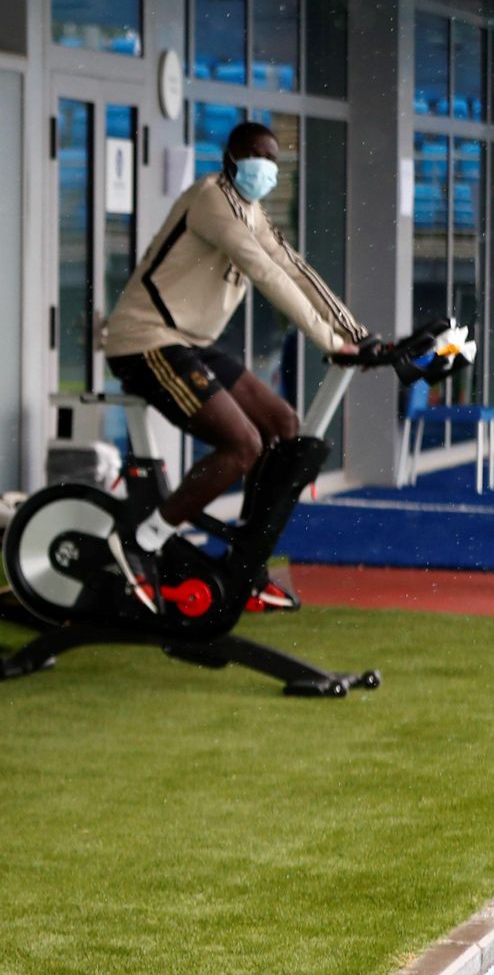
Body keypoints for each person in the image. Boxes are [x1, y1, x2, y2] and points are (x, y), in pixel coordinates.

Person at [100, 121, 368, 612]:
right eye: (256, 157)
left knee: (285, 425)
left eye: (272, 159)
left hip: (192, 344)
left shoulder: (253, 211)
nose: (265, 168)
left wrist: (355, 334)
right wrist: (326, 339)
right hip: (145, 340)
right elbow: (263, 272)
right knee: (243, 443)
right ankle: (141, 540)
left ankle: (246, 564)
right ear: (232, 159)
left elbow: (291, 265)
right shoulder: (211, 201)